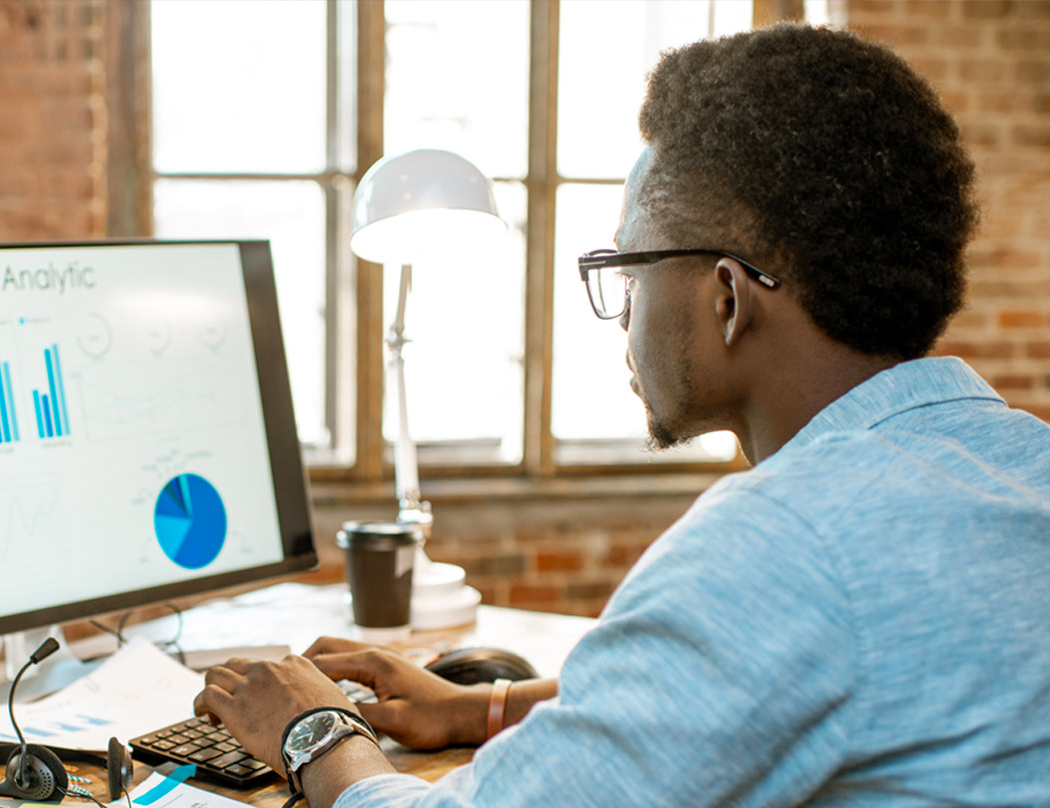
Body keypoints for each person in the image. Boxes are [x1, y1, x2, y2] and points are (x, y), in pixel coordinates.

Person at [192, 23, 1050, 807]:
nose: (622, 310)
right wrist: (482, 707)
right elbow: (776, 684)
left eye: (629, 270)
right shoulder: (1018, 461)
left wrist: (313, 730)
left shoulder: (787, 540)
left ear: (726, 298)